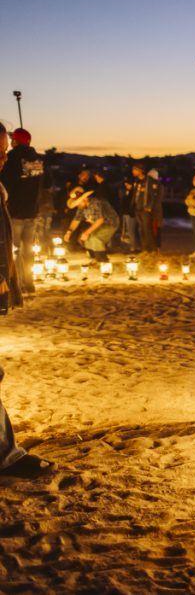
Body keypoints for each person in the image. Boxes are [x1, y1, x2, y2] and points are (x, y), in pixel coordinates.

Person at [1, 123, 55, 478]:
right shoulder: (34, 163)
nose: (3, 156)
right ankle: (6, 455)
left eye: (6, 149)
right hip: (29, 211)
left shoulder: (8, 173)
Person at [0, 127, 43, 295]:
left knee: (14, 251)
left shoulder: (12, 158)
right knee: (28, 250)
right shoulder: (38, 159)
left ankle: (15, 283)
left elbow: (6, 180)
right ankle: (29, 283)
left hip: (15, 212)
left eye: (12, 141)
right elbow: (43, 184)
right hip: (32, 212)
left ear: (15, 142)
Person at [64, 187, 120, 262]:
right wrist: (69, 232)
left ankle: (102, 260)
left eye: (78, 203)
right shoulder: (82, 207)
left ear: (85, 199)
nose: (77, 206)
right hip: (97, 225)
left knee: (95, 238)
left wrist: (86, 233)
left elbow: (100, 220)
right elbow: (76, 220)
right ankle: (94, 258)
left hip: (109, 224)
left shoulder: (95, 202)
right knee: (83, 239)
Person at [130, 163, 162, 253]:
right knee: (141, 230)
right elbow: (135, 195)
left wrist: (149, 207)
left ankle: (152, 249)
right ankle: (145, 248)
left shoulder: (149, 181)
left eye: (135, 170)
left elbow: (153, 195)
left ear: (141, 170)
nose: (133, 172)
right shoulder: (137, 181)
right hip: (138, 209)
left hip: (145, 210)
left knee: (147, 229)